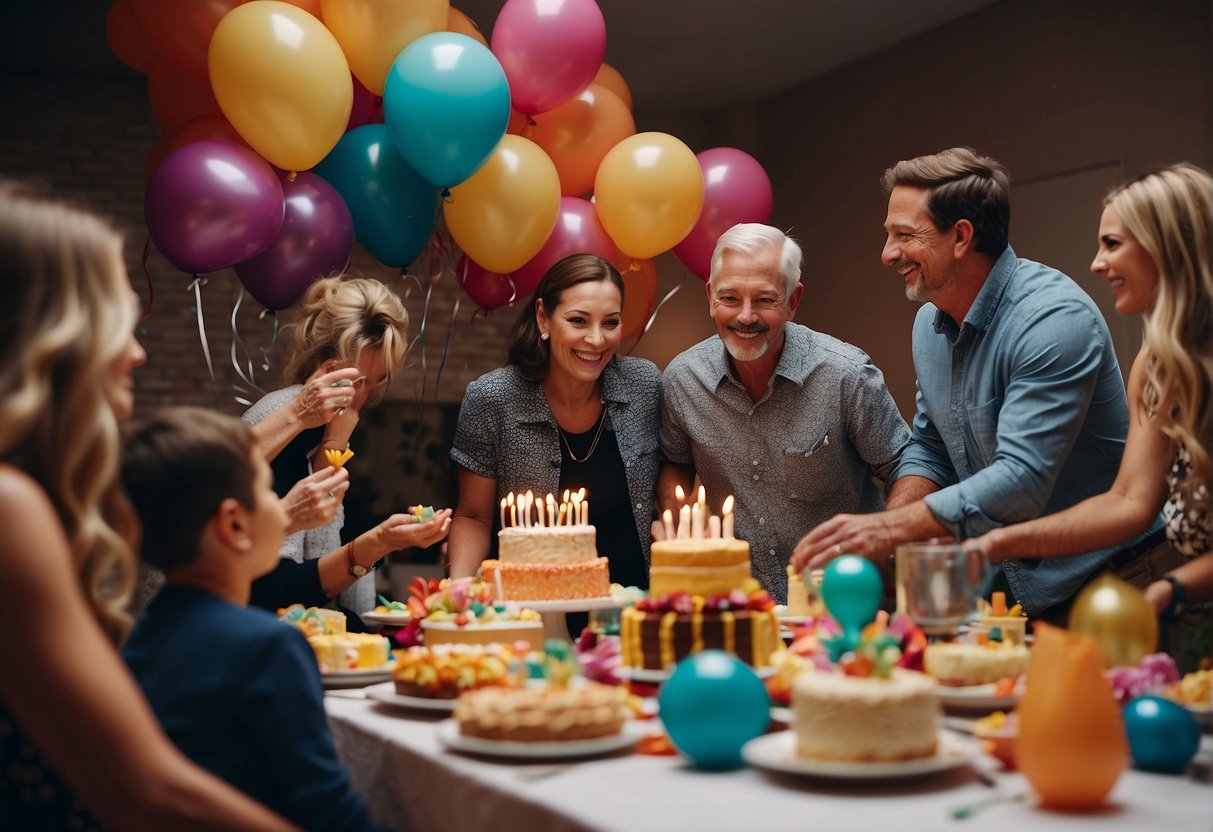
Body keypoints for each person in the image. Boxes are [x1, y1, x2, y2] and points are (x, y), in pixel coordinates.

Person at [0, 180, 297, 830]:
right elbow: (142, 789)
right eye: (119, 323)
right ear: (53, 334)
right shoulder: (9, 507)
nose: (138, 351)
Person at [792, 147, 1176, 624]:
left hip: (1128, 583)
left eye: (904, 236)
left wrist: (889, 529)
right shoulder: (927, 327)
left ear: (961, 237)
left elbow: (1021, 480)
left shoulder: (1051, 320)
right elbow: (932, 449)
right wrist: (885, 537)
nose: (887, 254)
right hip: (1035, 602)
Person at [963, 164, 1211, 629]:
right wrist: (1002, 543)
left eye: (1112, 244)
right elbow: (1128, 502)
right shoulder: (1154, 368)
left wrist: (1171, 587)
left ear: (1169, 248)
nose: (1096, 264)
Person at [121, 408, 385, 832]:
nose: (285, 506)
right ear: (234, 523)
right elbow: (329, 813)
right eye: (268, 490)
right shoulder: (269, 648)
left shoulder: (144, 631)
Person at [658, 223, 915, 602]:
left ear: (793, 301)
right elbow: (675, 462)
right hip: (739, 607)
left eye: (764, 300)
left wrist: (884, 539)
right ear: (711, 296)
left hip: (844, 603)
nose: (745, 317)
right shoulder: (683, 380)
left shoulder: (844, 375)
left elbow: (908, 465)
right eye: (730, 298)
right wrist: (682, 525)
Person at [243, 276, 451, 627]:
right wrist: (377, 544)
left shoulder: (333, 431)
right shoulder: (279, 420)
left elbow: (330, 580)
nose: (361, 398)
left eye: (374, 383)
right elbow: (277, 592)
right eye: (355, 382)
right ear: (325, 367)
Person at [448, 254, 660, 596]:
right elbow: (473, 515)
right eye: (578, 320)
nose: (596, 339)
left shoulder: (645, 386)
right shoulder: (492, 398)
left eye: (610, 322)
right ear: (543, 318)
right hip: (530, 610)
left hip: (630, 610)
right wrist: (458, 586)